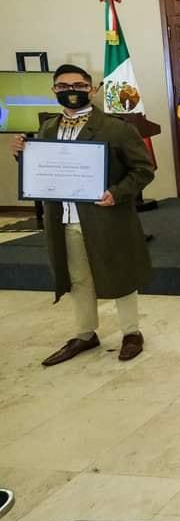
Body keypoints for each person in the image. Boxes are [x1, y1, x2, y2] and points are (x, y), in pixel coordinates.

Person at [10, 64, 154, 366]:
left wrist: (117, 192)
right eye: (63, 87)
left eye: (77, 85)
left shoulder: (116, 128)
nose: (71, 91)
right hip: (63, 218)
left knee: (120, 274)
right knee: (78, 279)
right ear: (54, 91)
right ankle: (85, 333)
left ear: (91, 89)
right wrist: (22, 154)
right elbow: (42, 171)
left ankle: (131, 332)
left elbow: (143, 170)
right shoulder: (47, 129)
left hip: (106, 217)